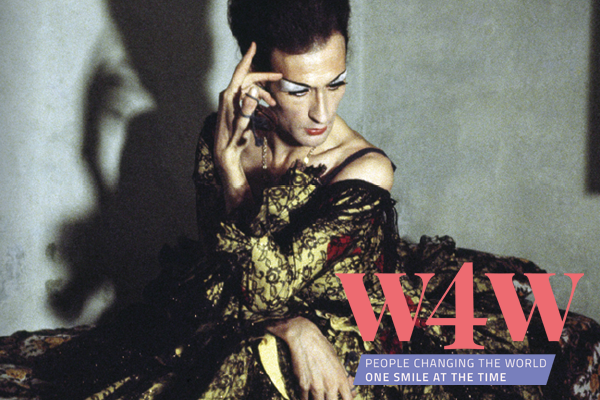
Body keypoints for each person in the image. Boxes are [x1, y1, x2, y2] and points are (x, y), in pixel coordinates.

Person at [1, 0, 600, 399]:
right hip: (248, 309)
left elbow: (261, 290)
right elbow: (226, 268)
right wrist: (226, 164)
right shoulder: (224, 135)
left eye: (336, 83)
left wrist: (297, 324)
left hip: (352, 330)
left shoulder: (364, 168)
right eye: (297, 89)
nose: (321, 111)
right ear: (255, 74)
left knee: (252, 363)